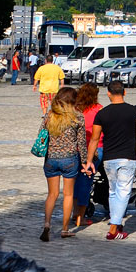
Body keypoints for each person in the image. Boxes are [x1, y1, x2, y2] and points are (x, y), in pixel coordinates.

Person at [84, 80, 136, 240]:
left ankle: (115, 222)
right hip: (128, 157)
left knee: (113, 192)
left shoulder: (102, 114)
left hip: (109, 159)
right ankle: (114, 228)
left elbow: (94, 139)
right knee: (124, 191)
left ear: (108, 94)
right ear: (124, 93)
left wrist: (89, 160)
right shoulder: (133, 111)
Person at [38, 85, 88, 241]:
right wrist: (85, 162)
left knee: (52, 194)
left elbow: (41, 136)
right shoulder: (78, 117)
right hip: (70, 159)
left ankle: (47, 224)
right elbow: (81, 143)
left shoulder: (49, 116)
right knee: (68, 195)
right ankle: (65, 229)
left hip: (51, 159)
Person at [72, 83, 103, 228]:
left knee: (74, 182)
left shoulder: (75, 109)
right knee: (86, 181)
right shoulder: (98, 109)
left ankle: (73, 212)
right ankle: (81, 217)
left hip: (77, 148)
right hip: (96, 148)